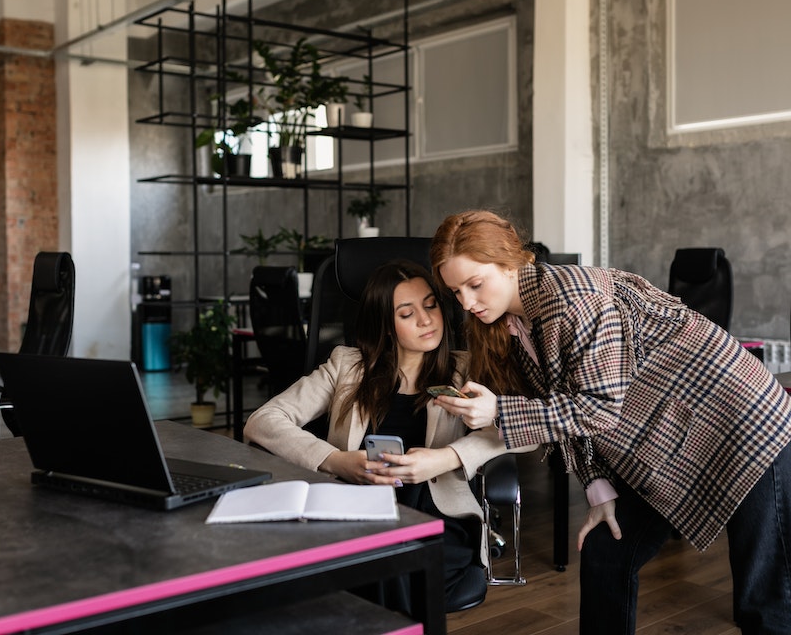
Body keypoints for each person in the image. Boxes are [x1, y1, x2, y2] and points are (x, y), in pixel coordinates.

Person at [428, 209, 791, 634]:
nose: (467, 303)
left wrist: (499, 412)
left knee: (763, 593)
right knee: (606, 552)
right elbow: (566, 409)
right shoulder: (514, 323)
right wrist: (599, 490)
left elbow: (597, 408)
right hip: (665, 435)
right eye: (456, 291)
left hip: (744, 420)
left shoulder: (572, 298)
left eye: (475, 284)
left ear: (511, 263)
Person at [244, 259, 531, 614]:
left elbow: (527, 430)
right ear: (386, 325)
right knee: (376, 561)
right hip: (359, 514)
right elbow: (263, 420)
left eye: (431, 306)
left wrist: (446, 458)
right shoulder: (347, 366)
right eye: (407, 314)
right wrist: (336, 461)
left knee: (385, 565)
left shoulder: (467, 370)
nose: (427, 320)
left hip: (437, 521)